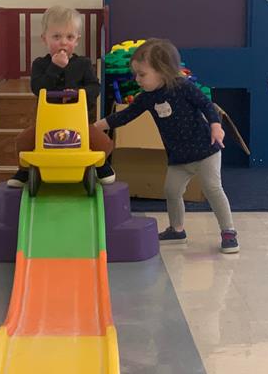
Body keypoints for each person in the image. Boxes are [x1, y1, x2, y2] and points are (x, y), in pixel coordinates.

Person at [94, 38, 239, 253]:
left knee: (213, 188)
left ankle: (228, 231)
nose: (137, 79)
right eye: (136, 74)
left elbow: (206, 105)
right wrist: (97, 126)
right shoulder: (146, 98)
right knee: (171, 191)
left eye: (142, 75)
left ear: (162, 71)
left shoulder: (183, 87)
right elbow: (124, 116)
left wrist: (216, 126)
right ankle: (177, 229)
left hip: (205, 151)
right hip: (179, 157)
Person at [7, 5, 115, 188]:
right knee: (23, 141)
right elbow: (37, 87)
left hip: (79, 122)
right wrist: (55, 67)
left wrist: (79, 93)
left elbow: (94, 87)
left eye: (69, 37)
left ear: (77, 40)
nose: (63, 42)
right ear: (45, 39)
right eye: (56, 37)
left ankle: (101, 165)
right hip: (47, 124)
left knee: (103, 142)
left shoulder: (83, 63)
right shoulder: (41, 65)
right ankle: (25, 170)